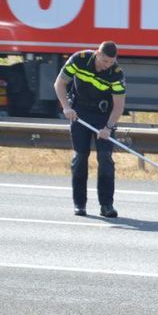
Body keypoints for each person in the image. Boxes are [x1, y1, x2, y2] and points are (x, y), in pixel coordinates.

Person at [53, 41, 126, 218]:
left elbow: (118, 106)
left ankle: (106, 205)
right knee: (80, 157)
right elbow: (59, 84)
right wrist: (66, 107)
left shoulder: (116, 74)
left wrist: (108, 128)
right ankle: (80, 204)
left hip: (104, 115)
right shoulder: (79, 60)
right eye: (104, 61)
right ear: (97, 54)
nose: (107, 65)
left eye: (111, 62)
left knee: (105, 158)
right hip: (79, 113)